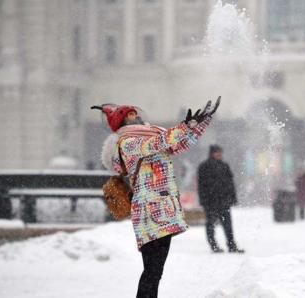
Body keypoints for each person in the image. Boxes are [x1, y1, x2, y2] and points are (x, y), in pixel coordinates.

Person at [93, 97, 220, 298]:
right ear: (123, 121)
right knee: (152, 271)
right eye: (131, 114)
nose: (137, 115)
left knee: (155, 271)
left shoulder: (155, 136)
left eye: (136, 112)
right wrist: (185, 126)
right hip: (148, 213)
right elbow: (155, 144)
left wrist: (202, 122)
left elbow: (182, 143)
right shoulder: (128, 143)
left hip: (164, 210)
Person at [197, 145, 244, 253]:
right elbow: (201, 185)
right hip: (211, 202)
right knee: (210, 224)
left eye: (220, 152)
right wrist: (204, 200)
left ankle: (231, 245)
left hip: (224, 201)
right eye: (216, 152)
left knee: (228, 225)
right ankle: (213, 245)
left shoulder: (224, 166)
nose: (219, 154)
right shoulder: (204, 166)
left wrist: (233, 198)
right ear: (211, 153)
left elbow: (230, 184)